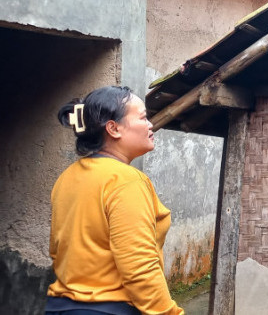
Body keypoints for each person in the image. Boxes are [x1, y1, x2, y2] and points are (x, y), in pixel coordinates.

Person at [45, 86, 184, 315]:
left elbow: (58, 251)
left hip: (59, 307)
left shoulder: (67, 177)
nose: (150, 125)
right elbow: (139, 265)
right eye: (143, 118)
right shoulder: (126, 180)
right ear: (113, 128)